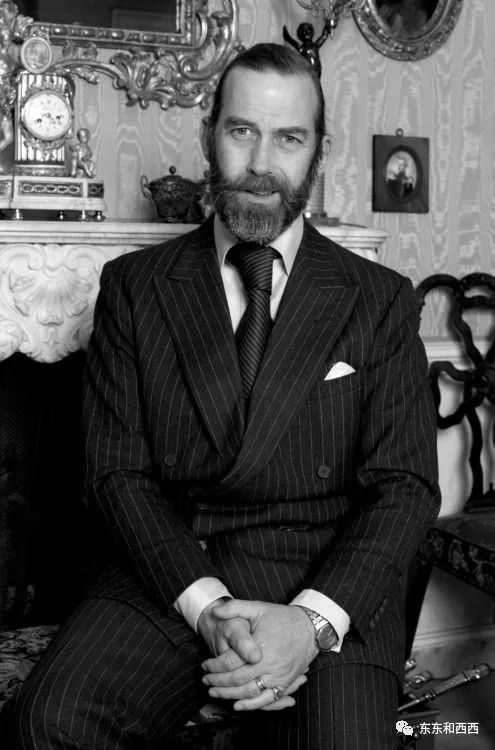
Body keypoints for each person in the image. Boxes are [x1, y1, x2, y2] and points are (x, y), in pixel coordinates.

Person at [7, 42, 440, 749]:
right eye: (242, 131)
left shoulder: (380, 299)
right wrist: (209, 608)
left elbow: (405, 487)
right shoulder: (136, 287)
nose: (261, 163)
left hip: (326, 578)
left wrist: (310, 622)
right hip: (172, 574)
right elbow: (115, 475)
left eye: (288, 138)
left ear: (318, 151)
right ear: (210, 134)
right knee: (47, 724)